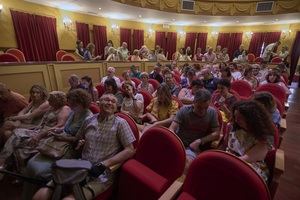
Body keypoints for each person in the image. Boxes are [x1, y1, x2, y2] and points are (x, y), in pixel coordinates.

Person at [33, 94, 136, 200]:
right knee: (47, 188)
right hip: (81, 163)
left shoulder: (120, 123)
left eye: (113, 101)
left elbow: (130, 150)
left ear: (116, 106)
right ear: (99, 103)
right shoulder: (89, 120)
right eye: (106, 100)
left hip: (101, 173)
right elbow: (77, 138)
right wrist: (77, 143)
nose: (110, 103)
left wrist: (105, 164)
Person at [22, 89, 93, 199]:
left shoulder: (88, 117)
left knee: (38, 171)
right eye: (70, 102)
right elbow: (65, 128)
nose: (70, 104)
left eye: (73, 102)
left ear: (81, 102)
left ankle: (44, 191)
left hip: (70, 148)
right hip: (58, 143)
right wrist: (58, 131)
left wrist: (62, 137)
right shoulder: (74, 111)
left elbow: (77, 139)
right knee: (30, 164)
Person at [0, 91, 71, 171]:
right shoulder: (52, 107)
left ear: (57, 100)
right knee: (17, 133)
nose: (48, 101)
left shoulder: (64, 109)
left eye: (50, 99)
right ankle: (8, 163)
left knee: (18, 146)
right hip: (39, 130)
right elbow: (38, 121)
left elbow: (59, 126)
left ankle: (10, 165)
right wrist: (34, 129)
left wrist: (39, 135)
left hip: (49, 135)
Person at [169, 89, 220, 172]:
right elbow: (172, 128)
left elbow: (217, 133)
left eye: (206, 107)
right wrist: (174, 142)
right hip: (179, 142)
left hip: (192, 147)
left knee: (187, 164)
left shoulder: (212, 112)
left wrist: (200, 141)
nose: (202, 111)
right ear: (194, 102)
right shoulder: (184, 110)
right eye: (199, 107)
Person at [226, 101, 275, 182]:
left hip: (251, 166)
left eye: (240, 117)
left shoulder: (263, 138)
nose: (236, 120)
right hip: (232, 159)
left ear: (252, 119)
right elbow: (226, 146)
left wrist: (223, 162)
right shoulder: (233, 127)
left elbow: (247, 158)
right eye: (235, 116)